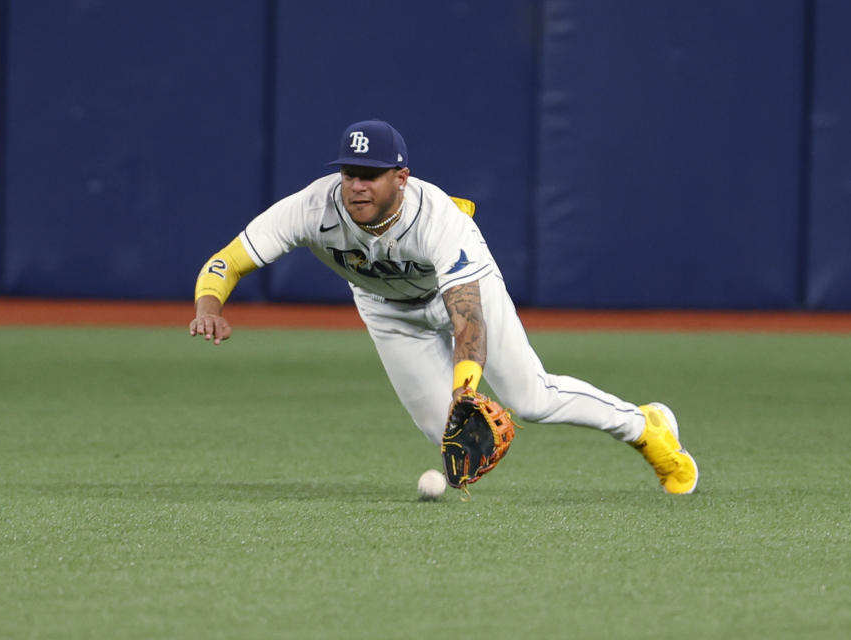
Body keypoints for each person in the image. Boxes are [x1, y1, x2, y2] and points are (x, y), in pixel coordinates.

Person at [189, 119, 698, 494]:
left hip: (462, 291)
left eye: (371, 174)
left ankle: (643, 426)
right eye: (349, 172)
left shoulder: (438, 221)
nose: (357, 185)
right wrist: (209, 304)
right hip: (387, 312)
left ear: (401, 177)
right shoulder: (312, 207)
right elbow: (226, 261)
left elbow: (468, 317)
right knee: (450, 436)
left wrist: (466, 388)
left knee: (532, 399)